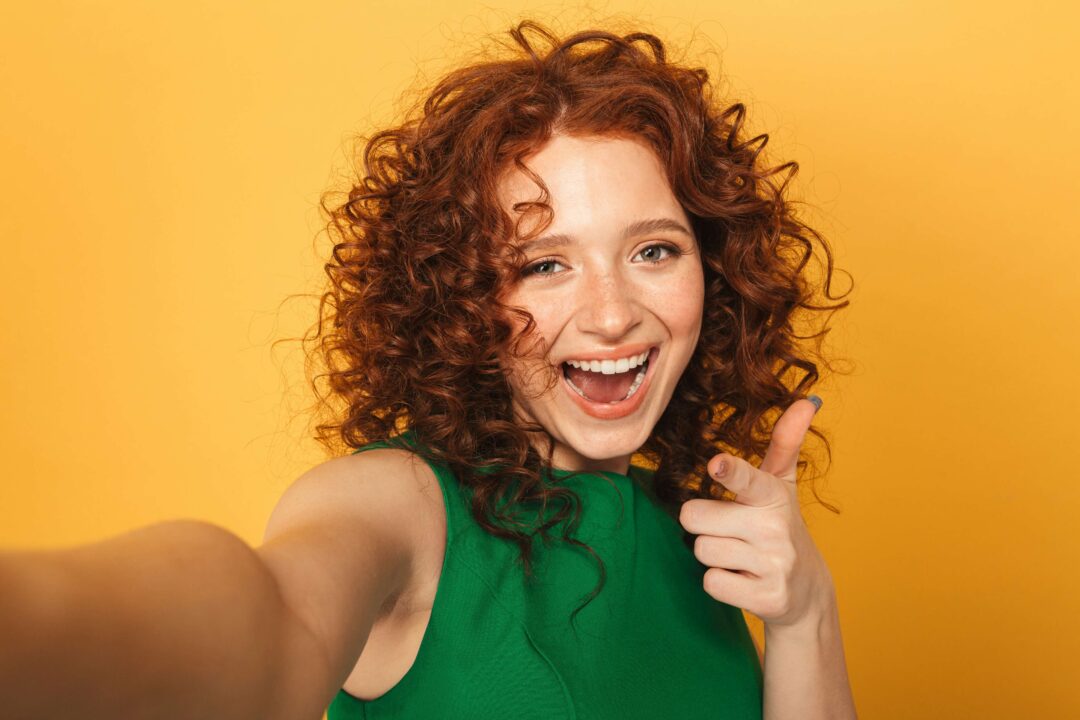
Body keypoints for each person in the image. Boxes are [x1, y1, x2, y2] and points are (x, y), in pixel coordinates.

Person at [0, 20, 857, 720]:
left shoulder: (701, 538)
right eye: (542, 265)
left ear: (714, 270)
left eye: (653, 250)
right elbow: (267, 619)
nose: (609, 312)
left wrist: (806, 616)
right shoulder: (401, 504)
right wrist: (36, 620)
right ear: (460, 297)